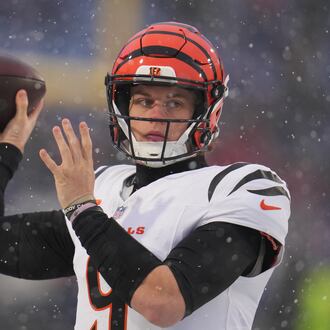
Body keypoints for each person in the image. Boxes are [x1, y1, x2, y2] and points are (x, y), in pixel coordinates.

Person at [0, 22, 290, 330]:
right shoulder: (104, 186)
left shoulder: (243, 187)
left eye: (174, 102)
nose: (154, 115)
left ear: (207, 110)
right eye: (144, 100)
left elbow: (164, 303)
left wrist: (83, 209)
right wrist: (8, 150)